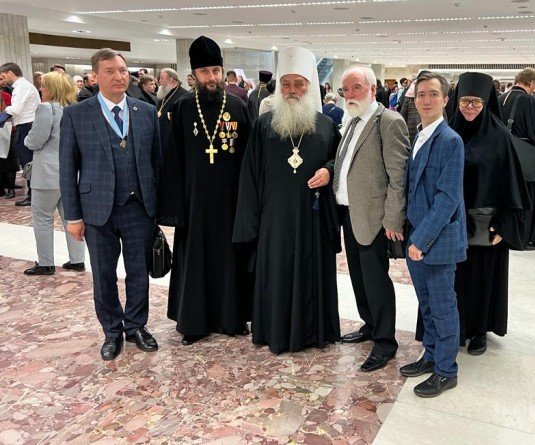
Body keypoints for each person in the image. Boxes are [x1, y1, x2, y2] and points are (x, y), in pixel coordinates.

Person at [233, 46, 341, 354]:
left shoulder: (325, 125)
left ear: (309, 86)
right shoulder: (264, 125)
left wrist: (329, 170)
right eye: (286, 84)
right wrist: (252, 224)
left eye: (299, 84)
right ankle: (276, 331)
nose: (292, 90)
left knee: (311, 272)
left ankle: (314, 331)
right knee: (276, 274)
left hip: (312, 217)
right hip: (275, 219)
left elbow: (339, 161)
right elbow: (250, 175)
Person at [59, 48, 161, 360]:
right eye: (110, 71)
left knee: (138, 271)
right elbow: (68, 168)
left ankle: (137, 325)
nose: (119, 76)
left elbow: (157, 161)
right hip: (97, 208)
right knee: (103, 274)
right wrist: (73, 216)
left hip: (138, 206)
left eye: (123, 70)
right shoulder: (77, 114)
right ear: (95, 76)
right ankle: (112, 330)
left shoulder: (145, 111)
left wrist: (158, 206)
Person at [158, 36, 252, 345]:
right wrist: (174, 208)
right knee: (195, 260)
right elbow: (172, 159)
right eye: (204, 72)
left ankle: (231, 318)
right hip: (194, 202)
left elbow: (250, 159)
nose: (211, 77)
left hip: (231, 202)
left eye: (215, 71)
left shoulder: (238, 106)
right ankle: (194, 322)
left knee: (230, 259)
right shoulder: (183, 107)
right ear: (194, 75)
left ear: (222, 72)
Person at [335, 66, 409, 372]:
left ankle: (385, 342)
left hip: (375, 218)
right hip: (350, 213)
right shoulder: (352, 120)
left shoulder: (388, 121)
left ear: (372, 88)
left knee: (376, 281)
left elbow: (398, 176)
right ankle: (370, 324)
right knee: (359, 277)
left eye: (356, 88)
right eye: (346, 90)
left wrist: (393, 219)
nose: (350, 94)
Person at [451, 72, 529, 354]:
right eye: (464, 101)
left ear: (486, 102)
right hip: (452, 224)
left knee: (482, 279)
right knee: (453, 279)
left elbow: (512, 186)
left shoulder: (500, 138)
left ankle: (479, 330)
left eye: (477, 102)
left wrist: (504, 223)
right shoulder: (448, 132)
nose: (470, 107)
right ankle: (454, 327)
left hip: (485, 227)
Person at [400, 71, 466, 398]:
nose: (426, 100)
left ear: (445, 99)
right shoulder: (420, 135)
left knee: (442, 307)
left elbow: (447, 198)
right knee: (426, 305)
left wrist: (420, 240)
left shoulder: (450, 140)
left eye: (433, 94)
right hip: (416, 235)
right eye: (421, 94)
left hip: (435, 240)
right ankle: (431, 354)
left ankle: (446, 370)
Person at [23, 72, 86, 276]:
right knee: (71, 218)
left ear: (53, 88)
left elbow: (35, 140)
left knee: (42, 218)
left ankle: (46, 263)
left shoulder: (46, 108)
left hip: (47, 173)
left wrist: (26, 140)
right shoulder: (76, 109)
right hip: (71, 173)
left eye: (44, 86)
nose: (41, 89)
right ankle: (77, 260)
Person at [498, 67, 535, 250]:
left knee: (504, 197)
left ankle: (503, 235)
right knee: (526, 197)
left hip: (501, 156)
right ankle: (523, 238)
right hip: (523, 158)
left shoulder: (500, 99)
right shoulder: (528, 101)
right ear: (531, 83)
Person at [0, 62, 39, 207]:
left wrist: (4, 111)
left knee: (27, 162)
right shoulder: (24, 86)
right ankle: (33, 194)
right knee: (28, 162)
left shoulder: (21, 87)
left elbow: (16, 109)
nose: (4, 80)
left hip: (26, 127)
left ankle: (33, 196)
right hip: (27, 126)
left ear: (10, 73)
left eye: (3, 76)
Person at [155, 68, 189, 157]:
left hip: (175, 143)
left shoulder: (184, 96)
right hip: (161, 140)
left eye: (162, 78)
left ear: (171, 79)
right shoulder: (163, 94)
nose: (159, 81)